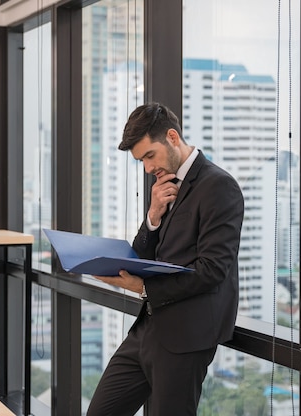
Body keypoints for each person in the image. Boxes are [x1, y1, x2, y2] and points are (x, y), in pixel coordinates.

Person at [87, 102, 244, 415]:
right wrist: (152, 217)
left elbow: (212, 270)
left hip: (187, 338)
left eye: (149, 156)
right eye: (141, 160)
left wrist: (144, 289)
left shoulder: (219, 186)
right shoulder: (162, 185)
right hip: (147, 329)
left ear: (172, 137)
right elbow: (142, 255)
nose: (147, 168)